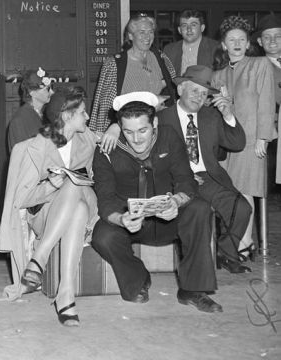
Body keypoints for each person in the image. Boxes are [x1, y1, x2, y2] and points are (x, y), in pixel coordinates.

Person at [91, 92, 222, 313]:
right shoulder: (107, 150)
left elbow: (186, 181)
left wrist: (176, 201)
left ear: (155, 123)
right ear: (119, 128)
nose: (136, 139)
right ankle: (138, 278)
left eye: (143, 130)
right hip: (131, 222)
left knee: (200, 208)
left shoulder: (169, 137)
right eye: (128, 132)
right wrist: (121, 219)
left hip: (168, 218)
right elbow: (105, 199)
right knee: (102, 236)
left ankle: (192, 289)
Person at [0, 85, 99, 326]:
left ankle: (40, 260)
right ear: (67, 116)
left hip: (84, 206)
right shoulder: (38, 147)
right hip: (45, 217)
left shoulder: (87, 140)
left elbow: (107, 146)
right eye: (82, 112)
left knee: (77, 192)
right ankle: (65, 295)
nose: (87, 117)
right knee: (75, 198)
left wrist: (112, 129)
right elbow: (23, 199)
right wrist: (51, 186)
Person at [158, 65, 252, 273]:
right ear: (181, 89)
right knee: (197, 213)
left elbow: (237, 143)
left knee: (243, 208)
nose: (199, 97)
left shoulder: (211, 116)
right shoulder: (162, 119)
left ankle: (225, 254)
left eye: (204, 93)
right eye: (194, 91)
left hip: (208, 178)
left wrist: (228, 114)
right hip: (177, 180)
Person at [212, 15, 276, 260]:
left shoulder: (260, 65)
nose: (237, 43)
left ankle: (245, 242)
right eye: (232, 40)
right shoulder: (218, 75)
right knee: (230, 191)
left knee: (246, 189)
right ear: (224, 45)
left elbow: (267, 102)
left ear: (249, 44)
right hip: (227, 142)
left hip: (251, 141)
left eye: (242, 39)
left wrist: (263, 137)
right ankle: (235, 241)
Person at [90, 13, 176, 133]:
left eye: (150, 32)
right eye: (142, 32)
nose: (147, 36)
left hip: (157, 126)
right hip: (127, 129)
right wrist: (102, 133)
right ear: (130, 36)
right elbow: (105, 108)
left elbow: (172, 89)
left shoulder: (161, 58)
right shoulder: (115, 64)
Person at [255, 12, 281, 185]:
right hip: (271, 132)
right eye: (267, 37)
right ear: (259, 41)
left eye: (278, 36)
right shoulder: (254, 67)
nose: (272, 41)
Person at [7, 68, 53, 151]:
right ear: (32, 92)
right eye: (48, 89)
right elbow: (21, 155)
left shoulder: (45, 114)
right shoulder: (20, 120)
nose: (52, 92)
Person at [163, 10, 218, 76]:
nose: (189, 29)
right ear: (179, 30)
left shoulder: (215, 48)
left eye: (193, 25)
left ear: (202, 28)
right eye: (184, 25)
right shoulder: (169, 50)